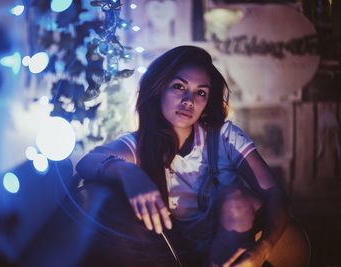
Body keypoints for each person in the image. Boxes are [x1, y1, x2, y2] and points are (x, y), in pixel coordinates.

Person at [76, 45, 290, 267]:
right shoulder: (140, 144)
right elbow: (88, 162)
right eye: (179, 86)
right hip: (171, 255)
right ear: (159, 89)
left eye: (201, 92)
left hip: (234, 250)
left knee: (235, 197)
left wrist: (263, 249)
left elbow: (274, 194)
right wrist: (127, 171)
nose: (189, 100)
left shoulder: (224, 137)